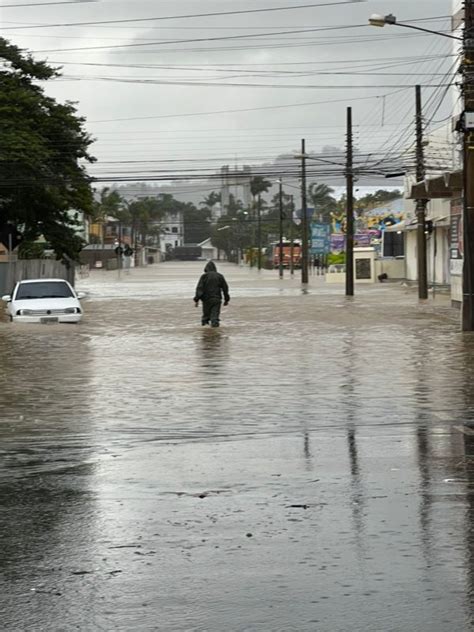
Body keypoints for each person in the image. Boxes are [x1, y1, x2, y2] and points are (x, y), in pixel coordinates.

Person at [194, 261, 230, 328]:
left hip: (206, 300)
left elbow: (199, 288)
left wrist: (196, 299)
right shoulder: (220, 276)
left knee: (205, 317)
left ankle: (205, 333)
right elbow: (225, 288)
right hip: (216, 299)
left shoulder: (204, 276)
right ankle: (215, 333)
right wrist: (226, 299)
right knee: (215, 317)